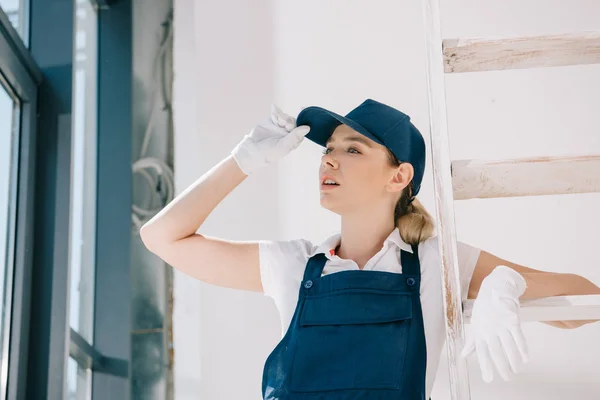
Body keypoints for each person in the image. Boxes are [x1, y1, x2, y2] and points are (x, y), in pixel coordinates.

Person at [140, 99, 600, 400]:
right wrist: (241, 161)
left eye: (353, 150)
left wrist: (506, 285)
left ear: (397, 176)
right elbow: (162, 238)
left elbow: (587, 301)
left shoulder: (438, 263)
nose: (329, 159)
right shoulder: (295, 265)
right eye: (329, 149)